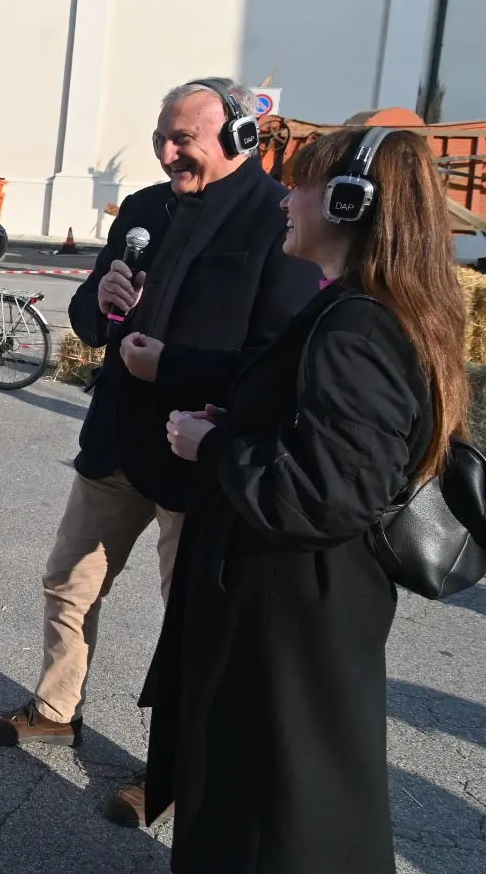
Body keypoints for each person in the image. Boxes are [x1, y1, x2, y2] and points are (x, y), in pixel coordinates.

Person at [0, 78, 318, 824]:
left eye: (182, 140)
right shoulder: (146, 209)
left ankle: (170, 772)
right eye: (161, 135)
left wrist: (174, 368)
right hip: (117, 439)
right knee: (70, 579)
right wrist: (104, 301)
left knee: (190, 621)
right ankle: (56, 706)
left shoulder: (277, 219)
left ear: (237, 138)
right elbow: (88, 318)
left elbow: (277, 361)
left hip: (199, 452)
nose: (166, 153)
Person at [123, 127, 467, 871]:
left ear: (350, 203)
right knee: (287, 795)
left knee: (277, 811)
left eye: (301, 186)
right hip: (302, 604)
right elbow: (332, 448)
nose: (286, 199)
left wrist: (211, 447)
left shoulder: (358, 329)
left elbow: (329, 494)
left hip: (288, 611)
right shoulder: (363, 313)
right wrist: (244, 423)